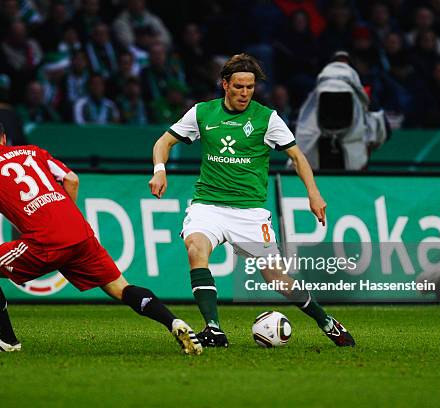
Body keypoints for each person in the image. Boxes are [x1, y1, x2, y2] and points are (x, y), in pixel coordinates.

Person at [0, 116, 202, 356]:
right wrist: (67, 214)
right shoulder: (33, 152)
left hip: (46, 241)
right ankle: (173, 322)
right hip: (79, 233)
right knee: (121, 288)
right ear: (4, 138)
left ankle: (7, 341)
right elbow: (72, 179)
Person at [148, 54, 355, 348]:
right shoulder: (202, 114)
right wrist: (159, 171)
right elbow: (163, 142)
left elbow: (297, 157)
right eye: (239, 86)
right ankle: (214, 329)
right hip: (208, 205)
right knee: (196, 248)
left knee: (276, 278)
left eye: (250, 87)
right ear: (225, 85)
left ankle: (326, 321)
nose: (245, 93)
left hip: (251, 213)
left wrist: (314, 193)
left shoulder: (267, 118)